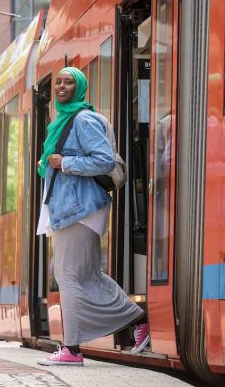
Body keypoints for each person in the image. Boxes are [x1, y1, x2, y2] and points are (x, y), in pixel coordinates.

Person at [35, 68, 148, 367]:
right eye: (58, 81)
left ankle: (71, 349)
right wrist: (49, 163)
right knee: (87, 276)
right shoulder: (61, 122)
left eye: (68, 82)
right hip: (73, 207)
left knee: (69, 277)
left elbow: (103, 160)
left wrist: (65, 162)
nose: (61, 86)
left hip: (80, 207)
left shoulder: (83, 119)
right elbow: (57, 164)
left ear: (80, 87)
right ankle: (139, 322)